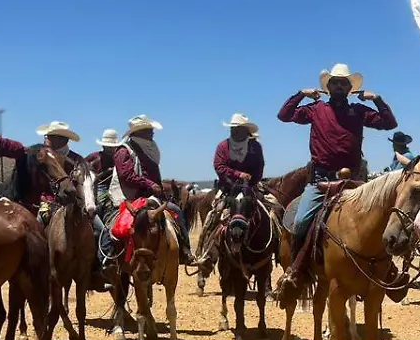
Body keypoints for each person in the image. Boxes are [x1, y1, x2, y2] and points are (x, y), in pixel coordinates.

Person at [277, 63, 397, 275]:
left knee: (379, 218)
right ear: (329, 87)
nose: (340, 86)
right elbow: (284, 115)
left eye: (344, 83)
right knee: (300, 220)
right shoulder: (315, 109)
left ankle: (385, 270)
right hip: (320, 181)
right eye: (335, 83)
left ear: (349, 88)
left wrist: (377, 100)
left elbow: (389, 124)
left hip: (354, 182)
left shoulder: (359, 111)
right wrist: (301, 94)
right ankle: (296, 271)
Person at [102, 115, 194, 266]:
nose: (152, 133)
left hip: (152, 197)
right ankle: (108, 257)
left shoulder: (150, 150)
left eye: (151, 130)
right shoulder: (123, 151)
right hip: (130, 198)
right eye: (148, 130)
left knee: (176, 212)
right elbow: (126, 175)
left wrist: (157, 186)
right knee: (112, 224)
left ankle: (185, 251)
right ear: (138, 132)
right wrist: (149, 184)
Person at [195, 113, 266, 270]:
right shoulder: (223, 146)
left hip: (251, 187)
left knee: (271, 210)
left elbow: (259, 167)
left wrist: (250, 183)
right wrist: (238, 175)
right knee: (213, 216)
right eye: (232, 129)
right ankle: (206, 254)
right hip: (227, 188)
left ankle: (274, 249)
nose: (234, 132)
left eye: (237, 129)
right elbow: (219, 167)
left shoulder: (255, 147)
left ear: (246, 131)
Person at [33, 121, 85, 224]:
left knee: (97, 227)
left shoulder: (77, 159)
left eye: (50, 136)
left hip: (73, 203)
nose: (46, 137)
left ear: (63, 140)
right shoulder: (41, 157)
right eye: (47, 135)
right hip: (46, 202)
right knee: (35, 227)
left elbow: (80, 184)